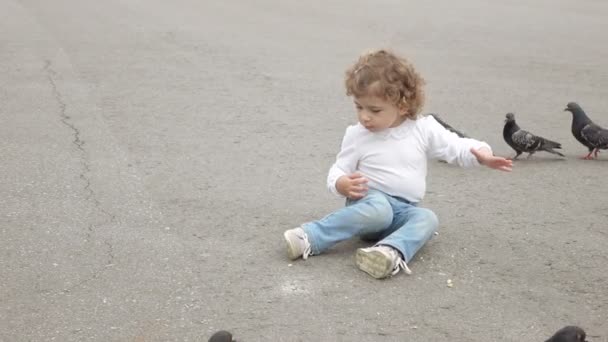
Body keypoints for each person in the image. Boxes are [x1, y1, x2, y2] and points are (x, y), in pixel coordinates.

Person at [283, 49, 513, 279]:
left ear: (403, 105)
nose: (364, 117)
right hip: (368, 203)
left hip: (403, 210)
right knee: (380, 211)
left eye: (374, 110)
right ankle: (309, 236)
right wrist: (341, 183)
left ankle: (389, 251)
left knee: (427, 218)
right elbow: (339, 169)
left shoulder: (423, 128)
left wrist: (482, 154)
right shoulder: (357, 135)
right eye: (359, 107)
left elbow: (455, 145)